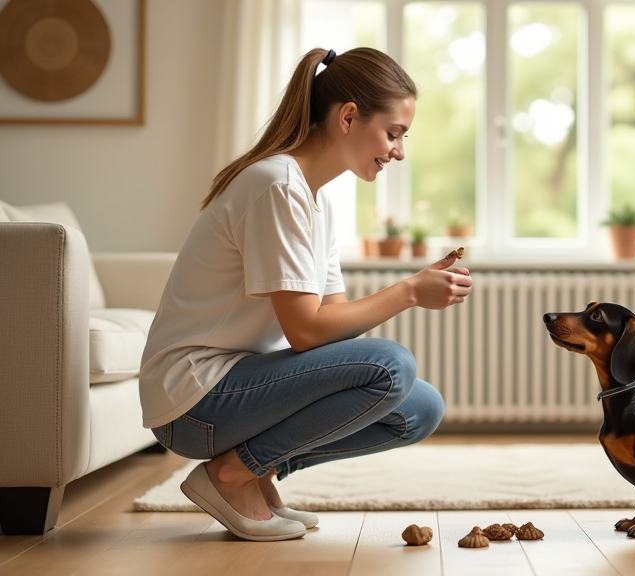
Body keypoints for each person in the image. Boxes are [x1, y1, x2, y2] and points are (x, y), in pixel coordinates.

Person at [139, 47, 472, 542]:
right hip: (194, 402)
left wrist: (415, 287)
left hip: (237, 388)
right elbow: (305, 330)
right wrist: (407, 292)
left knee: (420, 407)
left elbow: (330, 325)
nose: (399, 151)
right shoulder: (276, 186)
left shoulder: (316, 199)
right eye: (394, 133)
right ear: (348, 116)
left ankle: (257, 470)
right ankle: (232, 475)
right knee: (393, 366)